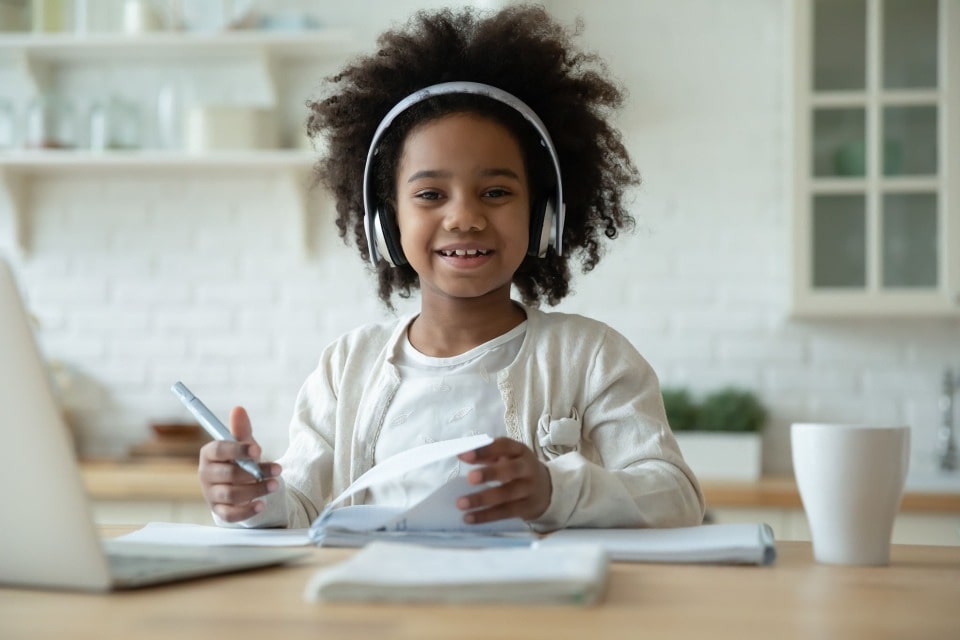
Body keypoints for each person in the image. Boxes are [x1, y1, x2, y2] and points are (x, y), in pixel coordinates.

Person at [198, 4, 704, 531]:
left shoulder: (592, 357)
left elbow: (675, 497)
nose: (464, 216)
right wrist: (251, 499)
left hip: (539, 613)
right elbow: (299, 507)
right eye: (431, 194)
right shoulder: (346, 368)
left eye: (496, 192)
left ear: (545, 214)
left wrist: (556, 489)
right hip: (382, 608)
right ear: (386, 219)